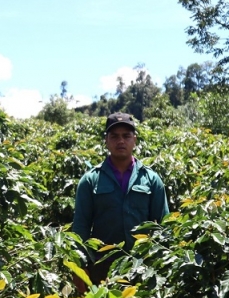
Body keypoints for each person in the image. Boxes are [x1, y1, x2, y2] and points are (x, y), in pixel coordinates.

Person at [71, 112, 169, 285]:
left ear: (135, 140)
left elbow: (164, 224)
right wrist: (80, 268)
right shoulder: (90, 180)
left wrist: (164, 263)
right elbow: (81, 226)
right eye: (114, 136)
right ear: (106, 141)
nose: (121, 141)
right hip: (101, 267)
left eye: (126, 136)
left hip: (141, 266)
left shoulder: (152, 179)